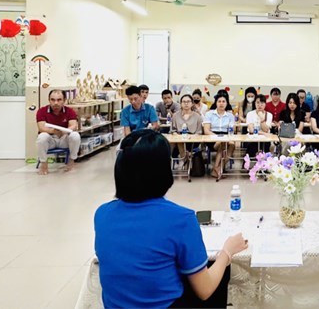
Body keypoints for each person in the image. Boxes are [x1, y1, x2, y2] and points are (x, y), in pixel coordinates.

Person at [94, 130, 248, 309]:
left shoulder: (102, 214)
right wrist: (227, 251)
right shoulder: (180, 219)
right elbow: (205, 290)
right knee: (216, 265)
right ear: (162, 171)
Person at [35, 89, 81, 175]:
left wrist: (63, 131)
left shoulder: (69, 111)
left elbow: (73, 126)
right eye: (53, 100)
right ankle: (44, 163)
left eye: (59, 100)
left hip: (63, 139)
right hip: (50, 139)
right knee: (42, 136)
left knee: (75, 135)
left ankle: (71, 161)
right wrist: (53, 131)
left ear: (64, 100)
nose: (56, 103)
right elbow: (41, 128)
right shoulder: (42, 111)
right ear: (49, 100)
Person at [203, 95, 236, 179]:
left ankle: (218, 168)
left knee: (232, 145)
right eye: (219, 101)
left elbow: (232, 130)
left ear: (227, 103)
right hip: (212, 136)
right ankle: (218, 169)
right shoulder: (209, 114)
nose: (221, 103)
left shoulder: (230, 115)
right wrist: (218, 137)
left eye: (223, 101)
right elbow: (206, 131)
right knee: (222, 143)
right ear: (216, 103)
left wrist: (227, 137)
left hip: (226, 135)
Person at [171, 94, 204, 168]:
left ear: (192, 103)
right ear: (180, 104)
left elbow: (199, 132)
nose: (186, 103)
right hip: (179, 138)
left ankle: (186, 164)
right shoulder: (175, 115)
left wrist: (190, 137)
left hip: (193, 140)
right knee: (179, 142)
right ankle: (186, 163)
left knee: (181, 143)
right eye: (184, 102)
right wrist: (178, 136)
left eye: (188, 101)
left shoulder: (197, 116)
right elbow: (173, 130)